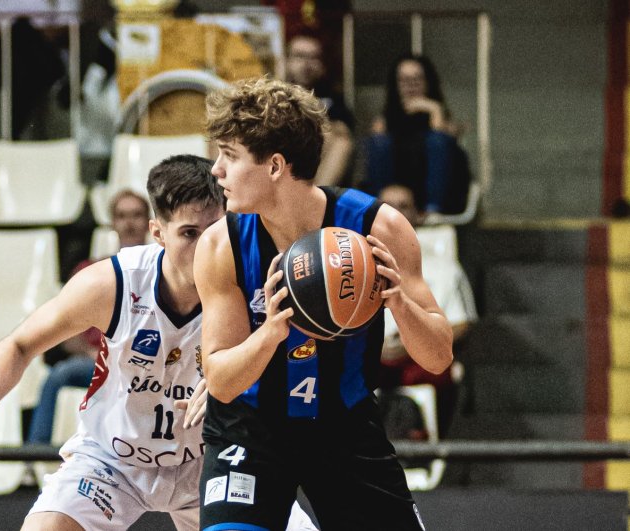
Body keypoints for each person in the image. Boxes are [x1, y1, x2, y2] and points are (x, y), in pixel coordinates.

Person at [0, 155, 225, 531]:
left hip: (207, 459)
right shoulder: (112, 284)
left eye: (214, 231)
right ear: (158, 233)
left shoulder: (243, 279)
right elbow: (21, 345)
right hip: (115, 459)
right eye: (190, 233)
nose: (206, 247)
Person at [194, 77, 453, 530]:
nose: (215, 170)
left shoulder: (378, 228)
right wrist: (270, 332)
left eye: (229, 156)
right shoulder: (221, 245)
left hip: (342, 423)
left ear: (275, 166)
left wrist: (399, 304)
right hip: (250, 429)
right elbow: (221, 381)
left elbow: (437, 357)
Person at [26, 188, 151, 444]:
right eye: (122, 215)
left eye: (136, 215)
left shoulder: (164, 271)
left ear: (149, 222)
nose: (129, 223)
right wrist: (95, 354)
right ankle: (33, 456)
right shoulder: (90, 271)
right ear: (112, 223)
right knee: (59, 374)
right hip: (95, 362)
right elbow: (66, 334)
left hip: (147, 363)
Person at [377, 183, 477, 437]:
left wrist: (412, 342)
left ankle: (415, 442)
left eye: (403, 206)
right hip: (373, 356)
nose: (394, 213)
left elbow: (461, 324)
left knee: (436, 365)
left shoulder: (444, 269)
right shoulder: (354, 263)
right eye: (386, 206)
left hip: (417, 358)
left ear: (419, 215)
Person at [360, 53, 471, 217]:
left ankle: (433, 210)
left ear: (428, 82)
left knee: (438, 140)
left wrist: (434, 109)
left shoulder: (440, 115)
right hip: (396, 189)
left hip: (437, 192)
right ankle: (380, 211)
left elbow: (445, 141)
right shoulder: (385, 119)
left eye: (417, 79)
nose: (411, 86)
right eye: (404, 80)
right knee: (379, 142)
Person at [284, 29, 356, 187]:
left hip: (316, 166)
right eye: (300, 56)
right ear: (287, 61)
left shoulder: (331, 96)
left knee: (342, 141)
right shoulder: (274, 93)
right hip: (281, 159)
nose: (307, 64)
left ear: (322, 65)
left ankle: (314, 202)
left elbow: (344, 129)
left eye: (313, 57)